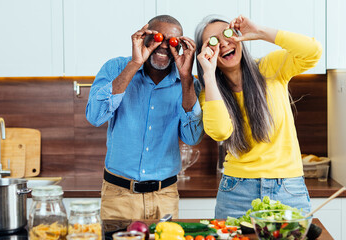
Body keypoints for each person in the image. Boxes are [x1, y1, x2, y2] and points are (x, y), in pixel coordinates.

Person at [195, 14, 322, 219]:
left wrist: (260, 32)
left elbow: (312, 52)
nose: (224, 44)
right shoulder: (210, 92)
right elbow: (219, 132)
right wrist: (208, 75)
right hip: (236, 191)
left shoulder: (270, 67)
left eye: (227, 34)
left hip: (288, 188)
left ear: (237, 36)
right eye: (213, 42)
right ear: (206, 53)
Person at [86, 15, 204, 220]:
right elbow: (95, 116)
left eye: (172, 41)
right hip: (119, 196)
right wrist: (135, 63)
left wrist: (186, 77)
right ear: (145, 37)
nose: (165, 46)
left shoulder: (188, 85)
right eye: (158, 37)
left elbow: (192, 137)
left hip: (165, 196)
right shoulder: (116, 68)